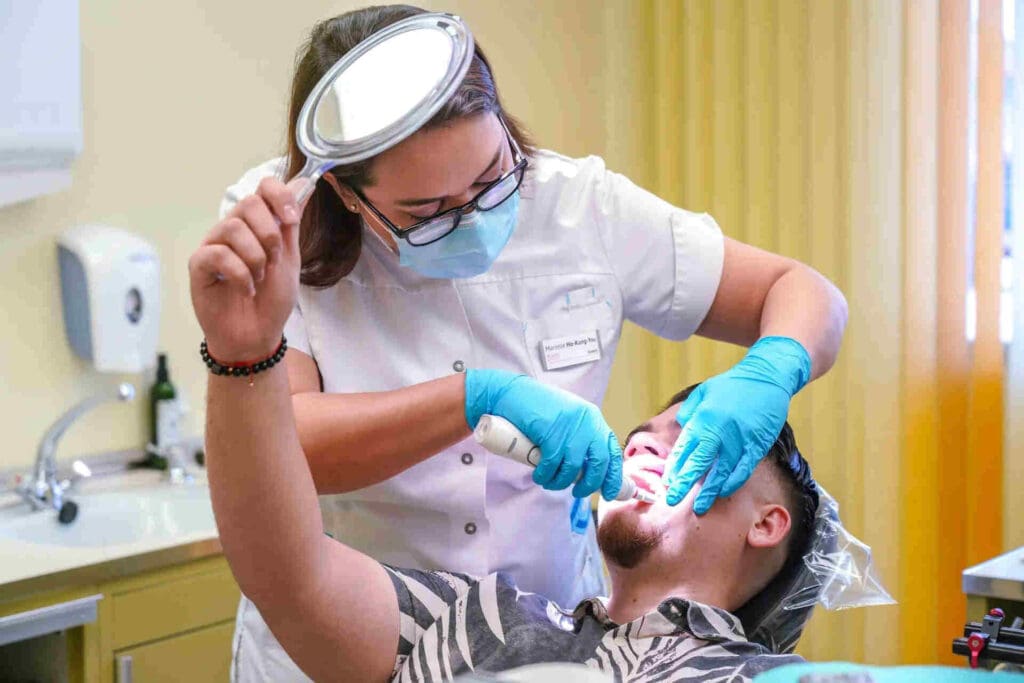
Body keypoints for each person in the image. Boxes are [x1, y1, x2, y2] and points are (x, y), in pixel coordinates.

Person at [196, 4, 847, 678]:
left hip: (546, 621)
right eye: (428, 212)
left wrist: (774, 366)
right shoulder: (281, 230)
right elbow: (282, 456)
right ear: (347, 193)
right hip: (361, 632)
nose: (472, 215)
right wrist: (473, 400)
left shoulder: (583, 208)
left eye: (491, 179)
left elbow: (806, 292)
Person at [196, 325, 820, 681]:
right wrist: (239, 358)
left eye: (690, 442)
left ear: (768, 524)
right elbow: (284, 570)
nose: (644, 447)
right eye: (642, 438)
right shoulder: (480, 614)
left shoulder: (750, 675)